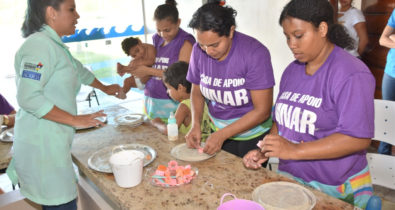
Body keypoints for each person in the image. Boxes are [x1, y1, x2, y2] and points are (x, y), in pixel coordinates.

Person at [243, 0, 374, 208]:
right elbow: (282, 122)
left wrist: (294, 150)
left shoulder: (351, 73)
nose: (291, 44)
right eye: (287, 37)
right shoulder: (292, 71)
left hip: (334, 186)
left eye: (298, 35)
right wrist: (265, 150)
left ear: (322, 29)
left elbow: (357, 138)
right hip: (293, 179)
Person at [6, 0, 122, 209]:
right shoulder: (39, 45)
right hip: (42, 147)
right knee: (62, 204)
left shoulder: (53, 45)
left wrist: (105, 87)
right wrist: (75, 120)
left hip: (52, 142)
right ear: (52, 12)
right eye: (71, 9)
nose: (77, 15)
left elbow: (78, 70)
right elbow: (28, 97)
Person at [185, 0, 275, 159]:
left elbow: (262, 111)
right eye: (202, 45)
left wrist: (223, 134)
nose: (208, 51)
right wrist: (196, 124)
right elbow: (196, 92)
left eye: (214, 45)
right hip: (218, 130)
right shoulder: (197, 52)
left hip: (252, 135)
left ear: (231, 31)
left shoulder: (254, 53)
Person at [123, 0, 195, 122]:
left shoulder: (185, 42)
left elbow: (181, 77)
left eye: (167, 30)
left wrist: (147, 70)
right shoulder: (157, 39)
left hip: (172, 106)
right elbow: (150, 61)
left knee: (171, 135)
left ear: (178, 22)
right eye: (158, 30)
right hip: (151, 101)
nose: (163, 34)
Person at [150, 61, 211, 137]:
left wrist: (157, 123)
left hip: (190, 146)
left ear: (180, 88)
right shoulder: (202, 100)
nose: (167, 92)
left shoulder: (184, 107)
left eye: (169, 88)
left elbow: (169, 131)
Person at [378, 9, 395, 155]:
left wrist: (394, 38)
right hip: (391, 73)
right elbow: (383, 39)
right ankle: (383, 160)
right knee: (387, 117)